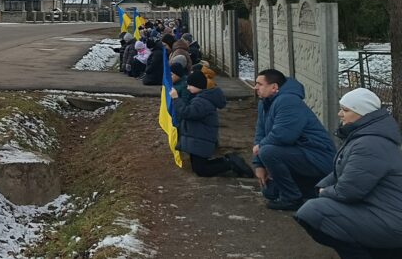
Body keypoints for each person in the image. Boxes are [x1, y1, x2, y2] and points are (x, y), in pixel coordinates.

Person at [295, 88, 402, 259]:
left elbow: (349, 191)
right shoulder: (366, 137)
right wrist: (322, 187)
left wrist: (325, 192)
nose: (339, 114)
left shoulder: (370, 144)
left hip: (392, 222)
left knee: (314, 212)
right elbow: (343, 171)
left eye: (346, 110)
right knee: (316, 208)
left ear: (362, 114)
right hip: (382, 212)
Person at [252, 69, 337, 210]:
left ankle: (292, 199)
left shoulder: (288, 101)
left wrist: (260, 148)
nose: (255, 87)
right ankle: (313, 191)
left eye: (259, 84)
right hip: (300, 155)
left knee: (267, 151)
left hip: (318, 157)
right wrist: (258, 164)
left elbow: (284, 135)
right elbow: (261, 132)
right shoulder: (265, 103)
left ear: (274, 87)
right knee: (270, 192)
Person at [171, 71, 253, 178]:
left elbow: (188, 113)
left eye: (190, 85)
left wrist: (176, 99)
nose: (188, 88)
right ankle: (229, 160)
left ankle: (230, 164)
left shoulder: (202, 101)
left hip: (200, 138)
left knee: (202, 170)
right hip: (198, 137)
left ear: (198, 85)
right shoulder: (201, 98)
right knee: (199, 166)